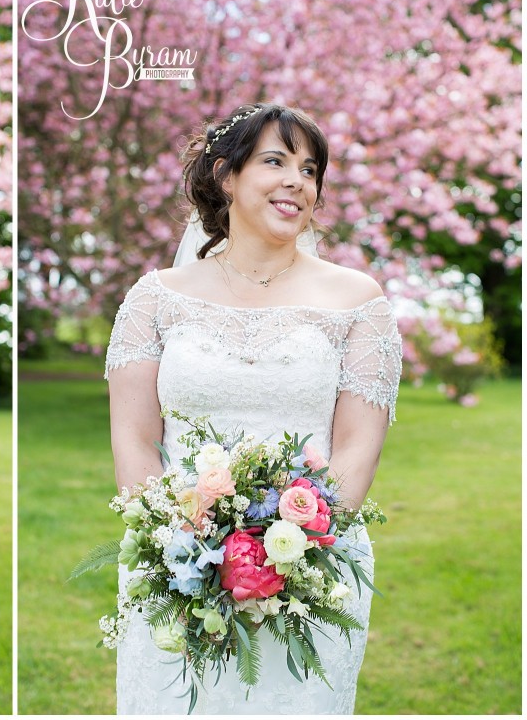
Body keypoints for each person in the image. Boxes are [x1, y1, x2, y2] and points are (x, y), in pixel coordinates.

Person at [105, 102, 402, 714]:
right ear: (225, 176)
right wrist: (176, 545)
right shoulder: (155, 298)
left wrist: (295, 547)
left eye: (310, 169)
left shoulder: (357, 301)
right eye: (275, 161)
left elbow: (356, 446)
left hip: (313, 564)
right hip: (177, 561)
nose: (297, 180)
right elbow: (135, 441)